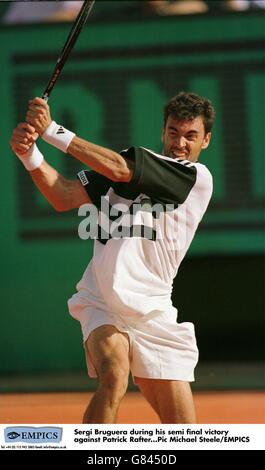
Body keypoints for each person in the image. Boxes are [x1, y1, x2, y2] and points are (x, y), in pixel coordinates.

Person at [10, 91, 215, 424]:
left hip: (153, 312)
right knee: (114, 377)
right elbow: (62, 195)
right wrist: (30, 154)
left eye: (191, 136)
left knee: (184, 432)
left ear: (205, 141)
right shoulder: (121, 165)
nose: (180, 143)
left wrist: (52, 131)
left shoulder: (195, 177)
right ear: (163, 132)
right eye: (174, 132)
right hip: (101, 300)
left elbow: (121, 170)